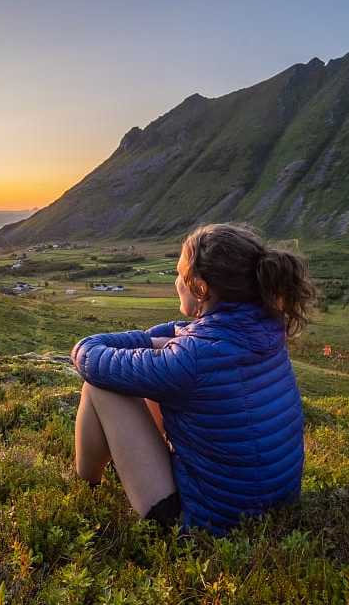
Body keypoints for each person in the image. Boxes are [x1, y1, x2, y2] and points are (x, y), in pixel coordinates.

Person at [71, 223, 317, 534]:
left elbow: (89, 356)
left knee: (99, 386)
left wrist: (147, 342)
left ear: (200, 288)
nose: (176, 281)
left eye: (179, 273)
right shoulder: (267, 326)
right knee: (150, 383)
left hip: (206, 523)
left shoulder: (192, 357)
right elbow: (190, 337)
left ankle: (85, 484)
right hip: (274, 504)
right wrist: (161, 340)